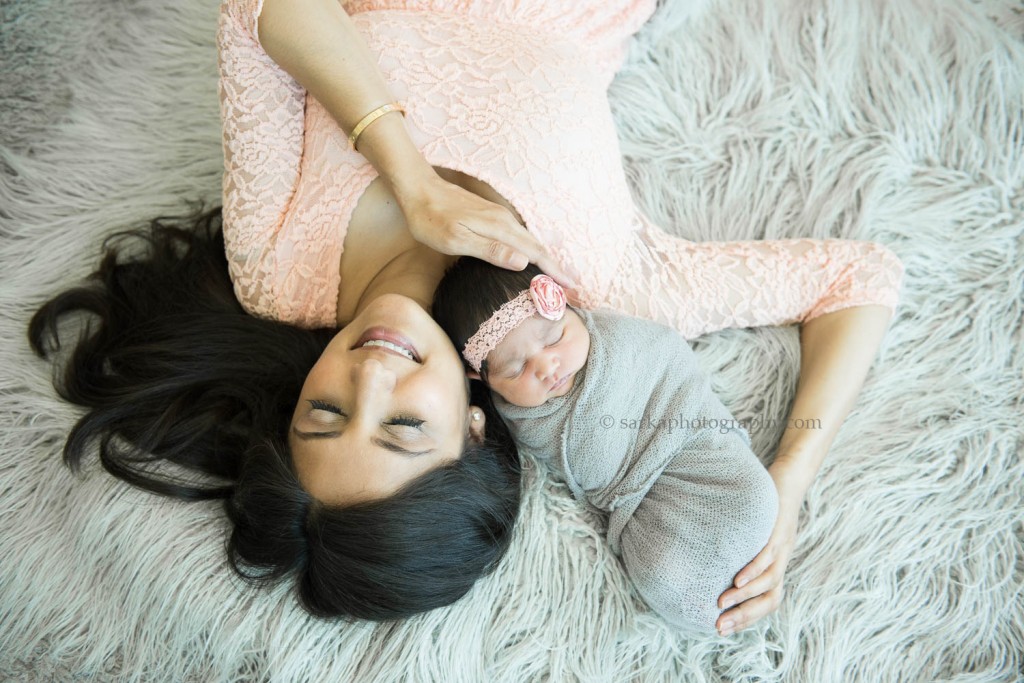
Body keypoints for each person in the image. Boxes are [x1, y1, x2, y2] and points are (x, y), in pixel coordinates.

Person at [28, 0, 904, 637]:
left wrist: (412, 181)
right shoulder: (591, 302)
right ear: (477, 427)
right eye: (405, 423)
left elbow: (261, 13)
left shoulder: (279, 272)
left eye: (324, 409)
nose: (369, 373)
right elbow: (857, 278)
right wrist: (785, 481)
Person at [433, 257, 780, 634]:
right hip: (641, 501)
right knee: (660, 573)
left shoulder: (618, 341)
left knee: (755, 497)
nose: (547, 366)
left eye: (555, 338)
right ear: (478, 376)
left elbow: (666, 354)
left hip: (692, 445)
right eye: (516, 369)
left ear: (565, 305)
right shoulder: (516, 419)